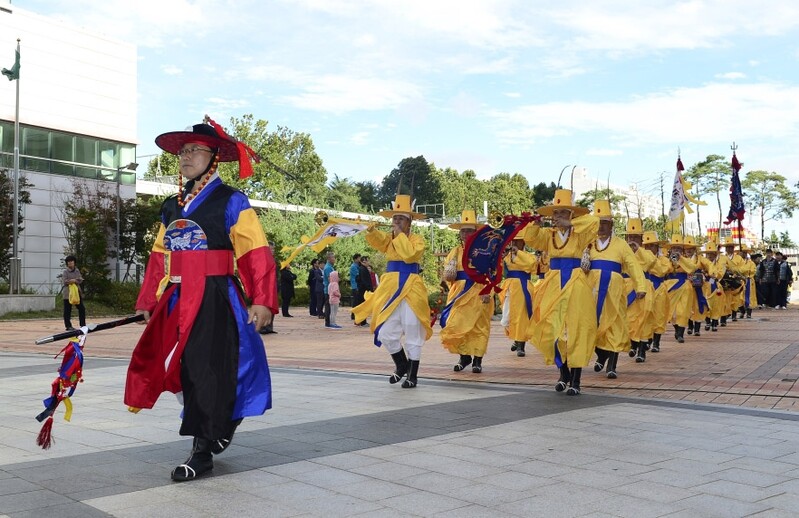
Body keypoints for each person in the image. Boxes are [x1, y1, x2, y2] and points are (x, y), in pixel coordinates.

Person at [124, 118, 277, 482]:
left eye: (194, 150)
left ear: (214, 157)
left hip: (214, 294)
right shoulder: (171, 207)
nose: (186, 156)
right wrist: (148, 299)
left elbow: (255, 252)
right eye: (183, 151)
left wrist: (262, 299)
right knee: (180, 368)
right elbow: (160, 256)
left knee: (204, 367)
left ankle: (202, 452)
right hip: (178, 296)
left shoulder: (232, 200)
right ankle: (223, 420)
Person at [523, 188, 598, 395]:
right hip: (554, 283)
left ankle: (575, 380)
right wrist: (535, 223)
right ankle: (563, 374)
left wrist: (571, 223)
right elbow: (530, 239)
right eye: (555, 213)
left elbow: (594, 222)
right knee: (553, 330)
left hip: (575, 282)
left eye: (563, 212)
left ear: (571, 214)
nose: (558, 217)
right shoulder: (549, 235)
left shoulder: (580, 234)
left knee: (576, 330)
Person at [352, 194, 432, 388]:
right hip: (390, 288)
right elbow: (379, 242)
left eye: (401, 218)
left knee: (412, 328)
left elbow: (410, 255)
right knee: (385, 331)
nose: (396, 221)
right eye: (394, 218)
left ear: (409, 222)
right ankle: (401, 364)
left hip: (411, 288)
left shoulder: (417, 239)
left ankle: (412, 375)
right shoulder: (390, 238)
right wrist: (371, 230)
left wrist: (399, 235)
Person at [588, 203, 646, 377]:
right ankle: (601, 354)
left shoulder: (621, 244)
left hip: (614, 291)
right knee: (592, 324)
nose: (601, 226)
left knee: (615, 324)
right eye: (598, 223)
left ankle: (611, 365)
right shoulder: (588, 243)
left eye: (605, 223)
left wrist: (640, 286)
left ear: (611, 225)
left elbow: (633, 265)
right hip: (591, 290)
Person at [440, 210, 494, 374]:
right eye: (463, 231)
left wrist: (488, 291)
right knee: (456, 324)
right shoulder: (455, 251)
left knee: (479, 326)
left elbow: (492, 273)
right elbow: (448, 274)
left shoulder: (485, 250)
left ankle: (477, 360)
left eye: (469, 230)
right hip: (459, 293)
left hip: (479, 291)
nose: (465, 234)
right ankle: (464, 357)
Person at [498, 238, 537, 357]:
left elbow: (530, 265)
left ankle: (521, 345)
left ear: (523, 242)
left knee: (522, 317)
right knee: (506, 319)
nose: (514, 243)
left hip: (522, 287)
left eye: (517, 241)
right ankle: (516, 338)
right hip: (509, 288)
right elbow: (498, 268)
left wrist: (518, 253)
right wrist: (500, 256)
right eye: (512, 241)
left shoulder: (528, 256)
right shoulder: (507, 255)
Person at [641, 231, 671, 352]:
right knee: (646, 314)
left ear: (657, 246)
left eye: (652, 245)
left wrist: (650, 261)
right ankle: (646, 340)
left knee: (659, 315)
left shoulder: (664, 259)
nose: (649, 248)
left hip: (659, 288)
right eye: (647, 246)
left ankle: (656, 343)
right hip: (645, 287)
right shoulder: (640, 257)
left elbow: (661, 271)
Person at [61, 254, 86, 331]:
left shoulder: (77, 270)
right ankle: (68, 326)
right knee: (67, 310)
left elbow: (80, 279)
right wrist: (71, 281)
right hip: (68, 294)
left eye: (71, 261)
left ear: (74, 262)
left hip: (76, 293)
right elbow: (64, 281)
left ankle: (83, 325)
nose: (70, 263)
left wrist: (75, 280)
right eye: (68, 262)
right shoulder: (65, 271)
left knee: (82, 308)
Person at [259, 241, 279, 335]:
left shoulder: (273, 260)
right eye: (271, 248)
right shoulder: (262, 260)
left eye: (273, 249)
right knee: (265, 307)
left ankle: (269, 327)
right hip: (265, 288)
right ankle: (262, 327)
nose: (273, 250)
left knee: (272, 307)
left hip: (273, 287)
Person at [355, 256, 372, 326]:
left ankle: (359, 321)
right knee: (363, 306)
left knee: (361, 306)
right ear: (364, 261)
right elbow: (364, 281)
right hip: (363, 291)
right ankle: (362, 322)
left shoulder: (362, 269)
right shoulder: (362, 269)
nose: (369, 262)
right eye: (368, 261)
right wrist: (369, 289)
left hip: (362, 290)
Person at [322, 251, 336, 326]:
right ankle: (328, 323)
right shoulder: (328, 268)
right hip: (329, 290)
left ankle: (330, 322)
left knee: (330, 306)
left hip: (330, 289)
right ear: (329, 258)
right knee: (329, 307)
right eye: (333, 257)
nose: (334, 259)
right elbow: (330, 279)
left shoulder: (330, 267)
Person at [349, 253, 362, 321]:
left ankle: (355, 314)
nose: (360, 259)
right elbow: (358, 274)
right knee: (355, 301)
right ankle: (353, 315)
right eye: (359, 258)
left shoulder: (358, 266)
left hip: (357, 285)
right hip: (355, 286)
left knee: (357, 301)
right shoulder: (353, 266)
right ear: (355, 259)